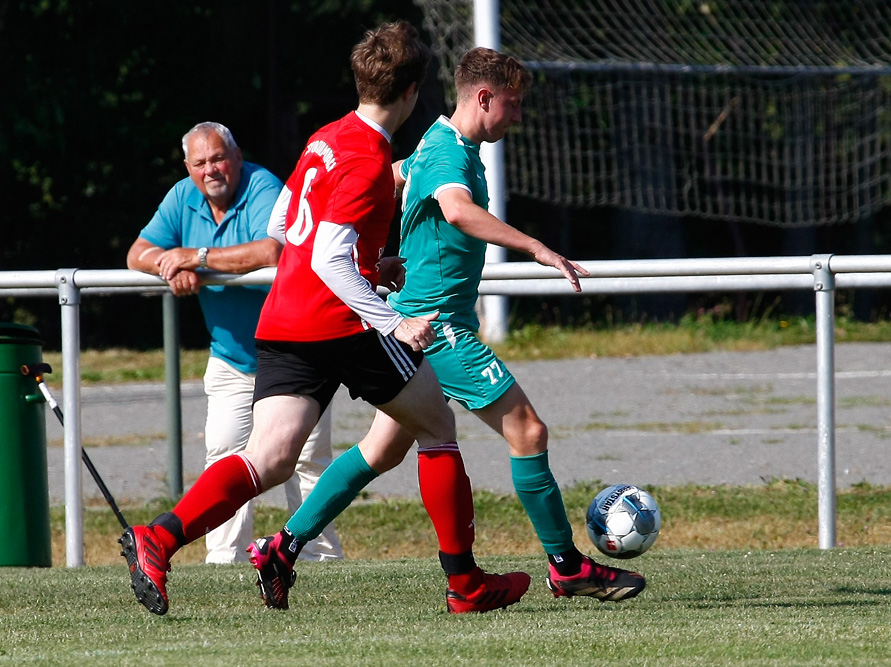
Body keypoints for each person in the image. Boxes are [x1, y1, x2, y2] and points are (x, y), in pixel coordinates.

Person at [119, 21, 528, 616]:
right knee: (438, 426)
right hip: (339, 323)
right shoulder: (369, 156)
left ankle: (160, 536)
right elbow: (332, 254)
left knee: (269, 457)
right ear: (413, 92)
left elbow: (287, 226)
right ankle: (465, 584)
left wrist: (371, 260)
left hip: (284, 318)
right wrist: (390, 321)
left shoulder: (326, 137)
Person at [252, 47, 646, 607]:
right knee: (528, 432)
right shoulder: (448, 155)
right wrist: (535, 246)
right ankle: (566, 567)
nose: (517, 117)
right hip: (439, 330)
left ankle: (283, 547)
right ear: (483, 97)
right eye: (512, 105)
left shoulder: (434, 148)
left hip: (414, 320)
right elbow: (457, 210)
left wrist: (375, 250)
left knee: (380, 451)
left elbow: (387, 181)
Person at [125, 122, 343, 565]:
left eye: (219, 158)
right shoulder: (181, 198)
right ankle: (224, 562)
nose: (211, 170)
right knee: (224, 454)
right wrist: (170, 266)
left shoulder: (264, 186)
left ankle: (321, 559)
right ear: (188, 168)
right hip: (231, 358)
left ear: (238, 156)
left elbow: (273, 251)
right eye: (200, 163)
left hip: (298, 351)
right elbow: (137, 253)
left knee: (306, 461)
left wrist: (196, 258)